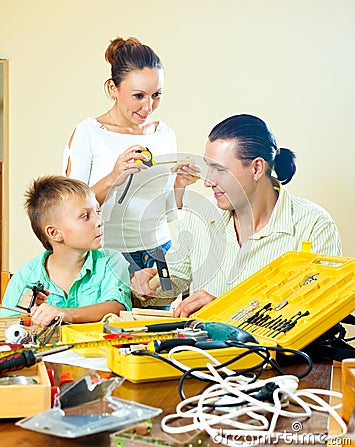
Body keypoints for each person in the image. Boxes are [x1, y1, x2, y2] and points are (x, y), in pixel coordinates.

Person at [131, 114, 342, 316]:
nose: (207, 181)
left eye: (219, 170)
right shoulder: (200, 220)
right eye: (208, 168)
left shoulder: (313, 225)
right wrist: (149, 283)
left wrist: (226, 310)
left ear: (257, 168)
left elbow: (321, 313)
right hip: (204, 352)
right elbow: (169, 284)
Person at [62, 36, 199, 275]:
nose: (148, 106)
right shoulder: (89, 133)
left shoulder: (164, 134)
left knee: (160, 314)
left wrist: (180, 185)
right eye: (138, 96)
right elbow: (70, 211)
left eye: (157, 94)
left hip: (159, 252)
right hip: (107, 253)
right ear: (113, 89)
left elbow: (168, 213)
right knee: (113, 314)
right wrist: (115, 175)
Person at [1, 175, 131, 326]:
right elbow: (6, 327)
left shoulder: (111, 261)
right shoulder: (25, 277)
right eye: (85, 216)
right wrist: (28, 315)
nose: (99, 221)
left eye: (98, 212)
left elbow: (117, 307)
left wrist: (67, 313)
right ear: (54, 233)